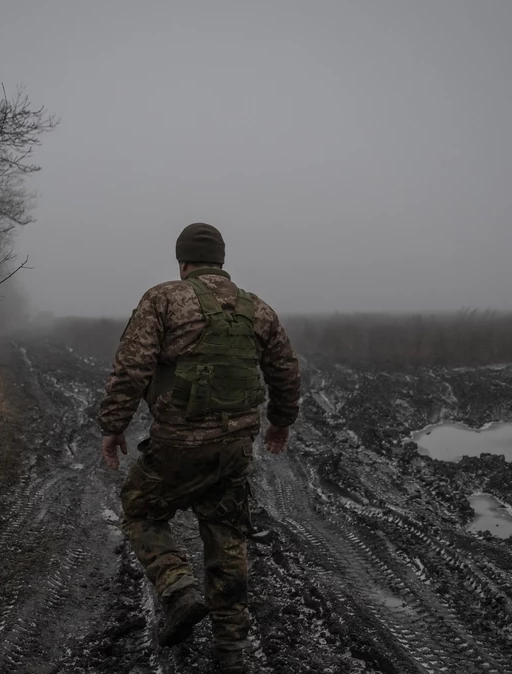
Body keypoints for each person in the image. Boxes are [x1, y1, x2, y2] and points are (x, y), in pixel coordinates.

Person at [98, 222, 301, 674]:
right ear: (221, 261)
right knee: (227, 536)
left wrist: (113, 427)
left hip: (176, 446)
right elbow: (286, 372)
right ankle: (230, 653)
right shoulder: (257, 309)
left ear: (182, 261)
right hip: (233, 450)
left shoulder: (164, 298)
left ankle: (176, 588)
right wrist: (280, 424)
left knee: (140, 509)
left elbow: (132, 368)